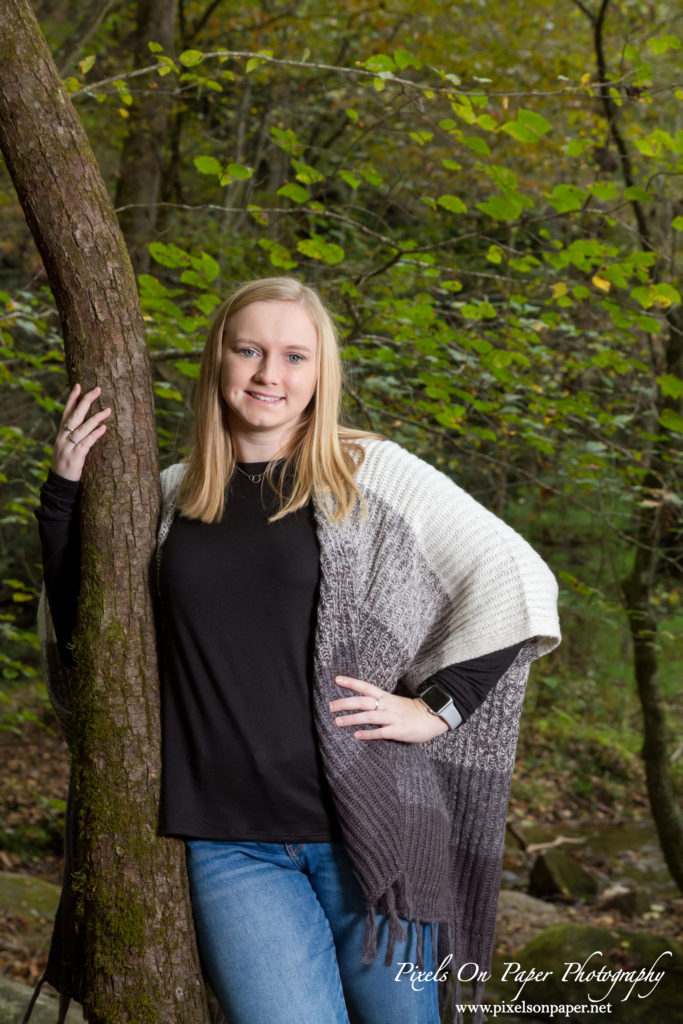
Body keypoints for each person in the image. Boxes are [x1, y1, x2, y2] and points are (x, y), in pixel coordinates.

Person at [33, 276, 561, 1024]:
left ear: (321, 374)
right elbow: (89, 630)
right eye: (248, 349)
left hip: (366, 828)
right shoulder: (168, 496)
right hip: (228, 843)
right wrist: (62, 495)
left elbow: (514, 577)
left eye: (293, 357)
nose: (267, 375)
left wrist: (436, 711)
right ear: (219, 359)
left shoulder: (365, 473)